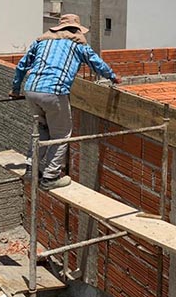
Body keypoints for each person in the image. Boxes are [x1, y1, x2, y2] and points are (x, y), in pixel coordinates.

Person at [10, 14, 119, 190]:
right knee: (61, 135)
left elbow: (21, 65)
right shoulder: (78, 44)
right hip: (54, 92)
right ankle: (50, 177)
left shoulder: (41, 41)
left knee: (42, 130)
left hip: (31, 90)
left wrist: (15, 90)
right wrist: (113, 77)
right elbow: (96, 63)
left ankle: (31, 169)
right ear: (76, 30)